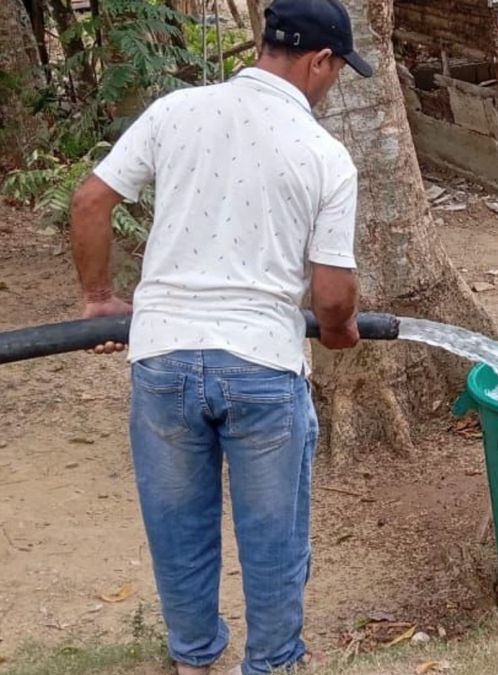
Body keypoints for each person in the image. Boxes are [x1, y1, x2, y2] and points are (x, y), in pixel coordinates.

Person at [68, 0, 373, 672]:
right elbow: (331, 293)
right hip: (262, 361)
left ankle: (194, 656)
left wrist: (98, 298)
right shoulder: (324, 155)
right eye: (337, 70)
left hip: (164, 356)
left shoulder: (176, 110)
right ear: (321, 61)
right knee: (272, 533)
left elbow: (90, 200)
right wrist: (339, 329)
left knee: (177, 526)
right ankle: (273, 661)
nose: (333, 83)